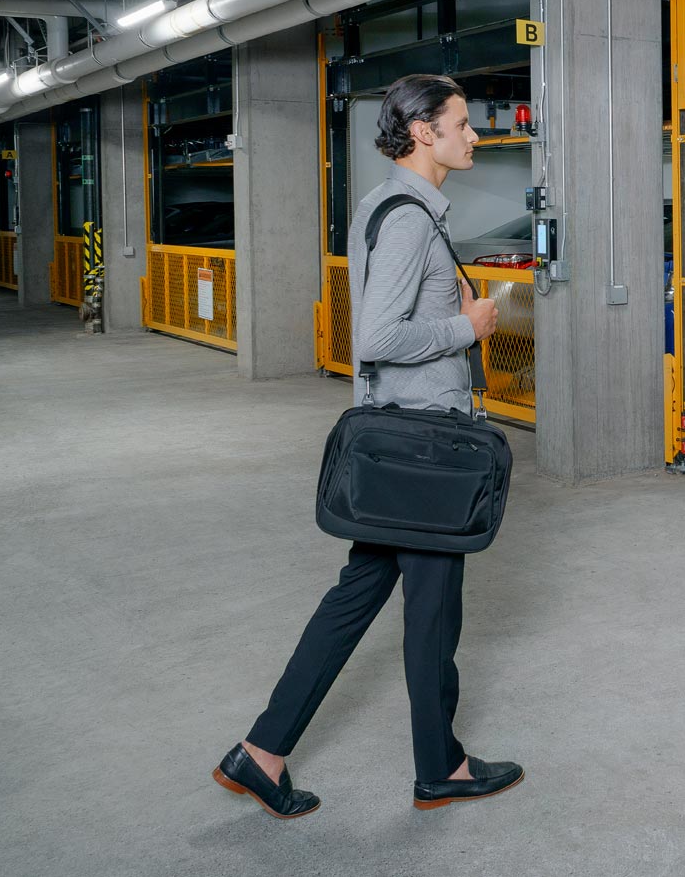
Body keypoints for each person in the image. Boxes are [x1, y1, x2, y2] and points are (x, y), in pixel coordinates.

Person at [213, 73, 524, 818]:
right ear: (423, 131)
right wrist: (467, 328)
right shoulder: (411, 218)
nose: (474, 134)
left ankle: (261, 751)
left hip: (398, 446)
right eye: (462, 122)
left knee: (354, 600)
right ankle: (440, 768)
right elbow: (377, 338)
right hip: (424, 454)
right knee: (433, 613)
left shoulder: (384, 206)